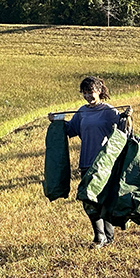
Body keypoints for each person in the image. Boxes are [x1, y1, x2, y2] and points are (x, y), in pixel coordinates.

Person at [51, 76, 124, 248]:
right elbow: (70, 130)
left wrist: (127, 117)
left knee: (103, 200)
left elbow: (123, 131)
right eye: (85, 93)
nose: (88, 96)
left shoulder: (108, 111)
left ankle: (107, 237)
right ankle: (100, 236)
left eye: (90, 92)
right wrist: (56, 121)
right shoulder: (82, 111)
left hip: (104, 163)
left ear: (99, 91)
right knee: (89, 200)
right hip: (86, 162)